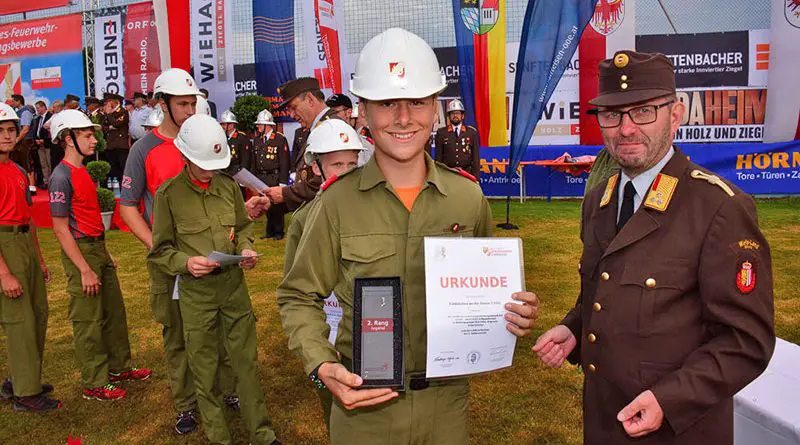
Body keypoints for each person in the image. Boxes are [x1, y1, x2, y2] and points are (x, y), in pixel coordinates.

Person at [274, 28, 540, 444]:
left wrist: (513, 310)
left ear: (435, 107)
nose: (402, 118)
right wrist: (321, 363)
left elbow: (490, 287)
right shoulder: (336, 203)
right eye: (385, 103)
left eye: (417, 101)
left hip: (446, 406)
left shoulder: (467, 198)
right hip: (364, 405)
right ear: (363, 112)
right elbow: (297, 295)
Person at [532, 50, 775, 445]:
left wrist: (669, 399)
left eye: (642, 111)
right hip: (604, 420)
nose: (626, 129)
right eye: (612, 114)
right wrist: (574, 327)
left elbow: (746, 340)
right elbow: (605, 287)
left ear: (675, 115)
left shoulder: (718, 207)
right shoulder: (601, 200)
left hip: (678, 429)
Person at [148, 113, 281, 445]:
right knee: (204, 371)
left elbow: (243, 227)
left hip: (233, 288)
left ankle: (262, 434)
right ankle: (218, 437)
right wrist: (185, 262)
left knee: (246, 365)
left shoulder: (227, 187)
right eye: (204, 163)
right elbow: (160, 251)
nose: (210, 170)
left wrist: (247, 249)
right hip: (196, 295)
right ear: (186, 157)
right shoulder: (168, 195)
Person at [120, 68, 239, 434]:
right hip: (171, 264)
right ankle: (186, 404)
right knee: (177, 334)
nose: (190, 110)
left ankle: (227, 390)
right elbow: (127, 206)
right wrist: (158, 247)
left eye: (193, 103)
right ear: (163, 104)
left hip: (212, 260)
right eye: (183, 103)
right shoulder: (144, 149)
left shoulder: (205, 138)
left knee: (219, 328)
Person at [48, 110, 152, 402]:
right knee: (88, 320)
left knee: (113, 313)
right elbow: (60, 229)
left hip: (98, 249)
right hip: (81, 252)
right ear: (68, 139)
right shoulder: (61, 177)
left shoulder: (81, 171)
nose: (95, 140)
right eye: (87, 135)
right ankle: (95, 381)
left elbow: (89, 217)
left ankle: (118, 368)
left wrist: (105, 254)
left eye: (92, 134)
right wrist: (83, 268)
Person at [280, 119, 365, 431]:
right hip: (330, 326)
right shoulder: (305, 220)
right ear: (316, 167)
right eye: (336, 164)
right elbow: (297, 288)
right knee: (338, 408)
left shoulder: (369, 207)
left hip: (366, 324)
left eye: (352, 164)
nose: (345, 172)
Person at [0, 103, 60, 413]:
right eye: (0, 131)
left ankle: (20, 378)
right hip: (5, 244)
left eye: (11, 130)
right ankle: (25, 394)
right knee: (19, 320)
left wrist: (39, 259)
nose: (7, 135)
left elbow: (30, 217)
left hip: (24, 241)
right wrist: (4, 274)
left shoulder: (18, 169)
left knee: (37, 313)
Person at [270, 77, 340, 211]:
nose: (291, 114)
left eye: (293, 107)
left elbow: (329, 179)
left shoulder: (331, 128)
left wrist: (285, 194)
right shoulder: (320, 128)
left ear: (310, 99)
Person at [250, 109, 289, 240]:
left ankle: (278, 231)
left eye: (260, 124)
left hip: (275, 177)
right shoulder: (257, 140)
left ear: (268, 125)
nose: (258, 126)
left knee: (277, 206)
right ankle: (269, 231)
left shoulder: (279, 139)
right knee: (266, 205)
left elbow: (284, 162)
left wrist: (283, 182)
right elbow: (255, 161)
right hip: (262, 177)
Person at [434, 99, 481, 180]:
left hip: (467, 174)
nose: (455, 116)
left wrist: (476, 178)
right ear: (449, 116)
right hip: (447, 175)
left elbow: (476, 158)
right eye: (452, 113)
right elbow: (438, 159)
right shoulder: (441, 133)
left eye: (457, 113)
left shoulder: (471, 132)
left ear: (462, 116)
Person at [100, 92, 130, 184]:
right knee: (115, 171)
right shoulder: (108, 113)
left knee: (123, 170)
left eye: (109, 101)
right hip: (110, 145)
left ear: (115, 102)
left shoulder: (122, 111)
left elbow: (117, 123)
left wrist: (109, 115)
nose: (108, 104)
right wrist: (110, 127)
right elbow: (102, 126)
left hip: (120, 145)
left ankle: (125, 191)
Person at [9, 95, 35, 183]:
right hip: (20, 141)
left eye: (13, 101)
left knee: (26, 162)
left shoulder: (26, 112)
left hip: (25, 141)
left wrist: (16, 140)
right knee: (17, 162)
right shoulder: (17, 112)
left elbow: (25, 129)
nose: (11, 103)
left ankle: (31, 186)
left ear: (19, 101)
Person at [218, 109, 251, 176]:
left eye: (224, 124)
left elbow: (245, 160)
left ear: (232, 125)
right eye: (221, 124)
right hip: (223, 173)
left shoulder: (242, 138)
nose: (222, 126)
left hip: (236, 175)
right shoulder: (221, 137)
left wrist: (243, 177)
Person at [32, 101, 53, 188]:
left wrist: (44, 140)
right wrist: (36, 140)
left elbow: (52, 131)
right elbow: (36, 131)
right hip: (39, 145)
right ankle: (46, 182)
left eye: (38, 108)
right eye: (36, 108)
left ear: (44, 107)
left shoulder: (50, 116)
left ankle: (52, 182)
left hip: (48, 144)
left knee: (50, 163)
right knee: (43, 164)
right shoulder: (37, 119)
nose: (37, 110)